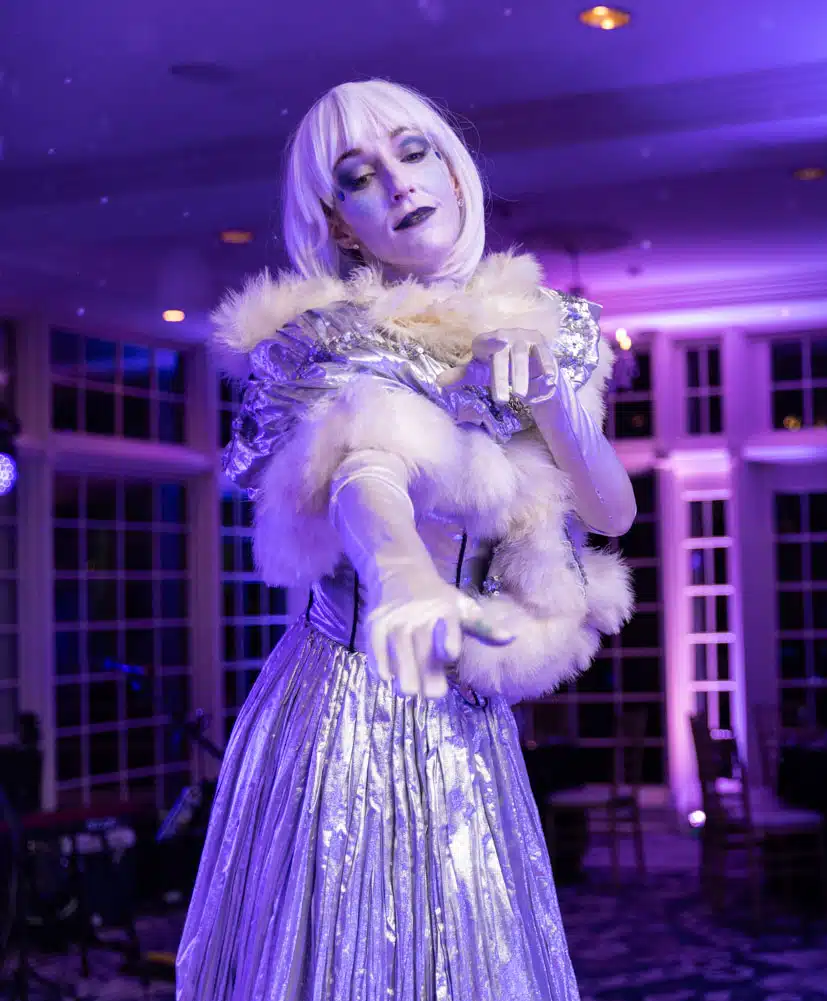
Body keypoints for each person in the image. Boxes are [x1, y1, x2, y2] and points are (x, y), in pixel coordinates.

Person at [175, 79, 636, 1001]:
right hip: (350, 702)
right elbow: (364, 468)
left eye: (413, 151)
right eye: (359, 176)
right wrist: (403, 577)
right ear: (341, 227)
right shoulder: (325, 342)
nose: (397, 182)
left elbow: (611, 514)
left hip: (471, 718)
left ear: (454, 171)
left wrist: (551, 397)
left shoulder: (545, 326)